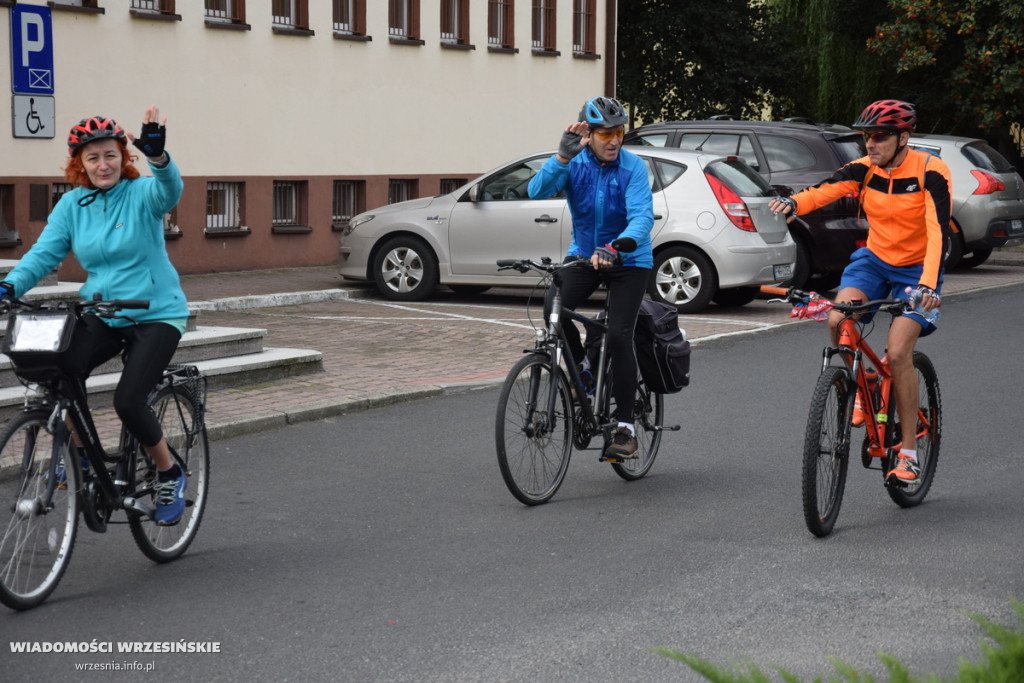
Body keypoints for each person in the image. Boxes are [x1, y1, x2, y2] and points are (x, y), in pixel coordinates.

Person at [0, 106, 190, 525]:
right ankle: (83, 458)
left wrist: (160, 159)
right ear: (79, 165)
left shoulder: (142, 194)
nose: (103, 165)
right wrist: (9, 286)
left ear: (124, 157)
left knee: (128, 401)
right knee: (57, 371)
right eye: (93, 158)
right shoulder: (72, 205)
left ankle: (168, 473)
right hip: (104, 310)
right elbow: (44, 254)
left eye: (110, 155)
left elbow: (169, 192)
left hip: (155, 312)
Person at [769, 99, 952, 484]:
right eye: (866, 136)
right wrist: (793, 202)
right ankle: (865, 380)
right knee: (838, 320)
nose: (870, 143)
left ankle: (907, 453)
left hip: (918, 268)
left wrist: (928, 284)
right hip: (875, 261)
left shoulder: (931, 171)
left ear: (904, 137)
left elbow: (938, 231)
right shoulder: (863, 170)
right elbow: (824, 190)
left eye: (880, 136)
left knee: (899, 350)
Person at [528, 96, 655, 461]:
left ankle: (626, 427)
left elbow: (642, 216)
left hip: (629, 258)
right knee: (554, 307)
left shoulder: (633, 167)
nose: (614, 140)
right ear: (589, 135)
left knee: (618, 334)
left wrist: (617, 246)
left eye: (619, 132)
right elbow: (536, 190)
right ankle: (582, 368)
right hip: (585, 254)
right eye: (605, 134)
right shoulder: (575, 163)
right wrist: (561, 159)